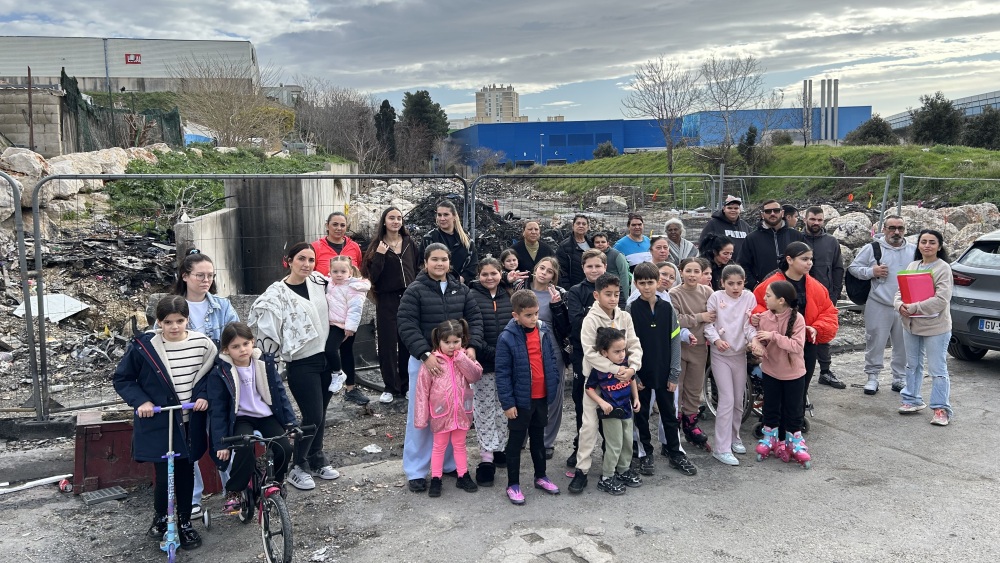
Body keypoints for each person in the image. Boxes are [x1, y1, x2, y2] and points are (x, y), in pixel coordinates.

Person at [113, 295, 216, 550]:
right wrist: (142, 401)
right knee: (163, 474)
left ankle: (184, 522)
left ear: (187, 319)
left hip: (188, 420)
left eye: (179, 321)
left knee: (185, 472)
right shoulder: (145, 346)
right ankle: (161, 516)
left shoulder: (203, 345)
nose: (174, 327)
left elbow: (212, 376)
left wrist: (204, 396)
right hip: (161, 420)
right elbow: (123, 379)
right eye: (167, 322)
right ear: (158, 322)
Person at [248, 242, 337, 491]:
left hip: (327, 358)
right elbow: (268, 333)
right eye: (301, 259)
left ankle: (316, 458)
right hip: (301, 362)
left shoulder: (319, 282)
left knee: (322, 413)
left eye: (311, 259)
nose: (307, 264)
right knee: (312, 415)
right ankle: (298, 466)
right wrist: (270, 369)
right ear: (288, 261)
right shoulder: (276, 294)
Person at [397, 243, 484, 493]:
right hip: (427, 363)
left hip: (455, 364)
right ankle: (416, 470)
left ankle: (448, 464)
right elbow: (406, 323)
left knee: (452, 414)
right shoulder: (415, 291)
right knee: (422, 415)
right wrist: (425, 355)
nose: (439, 264)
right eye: (434, 259)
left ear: (449, 262)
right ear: (425, 262)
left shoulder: (461, 290)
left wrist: (472, 347)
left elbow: (475, 319)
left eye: (444, 259)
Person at [170, 249, 238, 517]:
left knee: (225, 436)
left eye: (210, 275)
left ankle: (233, 491)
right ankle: (192, 497)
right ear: (185, 276)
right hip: (185, 385)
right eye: (200, 275)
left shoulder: (222, 306)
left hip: (218, 382)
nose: (206, 280)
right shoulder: (173, 308)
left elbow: (235, 340)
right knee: (190, 441)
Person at [208, 322, 296, 514]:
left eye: (246, 344)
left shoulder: (264, 364)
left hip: (266, 415)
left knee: (284, 446)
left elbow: (280, 394)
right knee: (244, 446)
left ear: (253, 342)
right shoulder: (220, 372)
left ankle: (276, 482)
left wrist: (291, 423)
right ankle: (234, 490)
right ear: (226, 349)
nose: (242, 349)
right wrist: (221, 443)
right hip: (241, 418)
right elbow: (218, 410)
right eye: (235, 346)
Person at [570, 274, 643, 494]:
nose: (613, 298)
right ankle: (582, 470)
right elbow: (590, 353)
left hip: (621, 383)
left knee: (621, 429)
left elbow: (634, 344)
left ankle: (619, 469)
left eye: (616, 294)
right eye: (607, 294)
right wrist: (616, 369)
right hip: (596, 384)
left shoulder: (624, 317)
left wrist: (632, 368)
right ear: (596, 295)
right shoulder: (590, 320)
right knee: (589, 427)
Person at [753, 242, 839, 428]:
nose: (809, 263)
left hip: (804, 343)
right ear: (789, 260)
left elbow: (828, 312)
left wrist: (816, 327)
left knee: (800, 387)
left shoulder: (817, 287)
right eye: (804, 259)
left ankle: (794, 424)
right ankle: (772, 424)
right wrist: (761, 320)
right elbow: (757, 305)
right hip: (776, 344)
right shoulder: (771, 284)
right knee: (775, 387)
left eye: (811, 259)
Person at [626, 262, 697, 477]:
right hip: (642, 373)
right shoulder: (630, 310)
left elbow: (675, 341)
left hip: (665, 372)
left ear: (658, 283)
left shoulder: (667, 309)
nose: (647, 287)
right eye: (642, 283)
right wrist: (635, 375)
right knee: (641, 416)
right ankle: (645, 453)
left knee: (669, 414)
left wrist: (674, 373)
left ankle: (675, 452)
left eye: (650, 282)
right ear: (636, 284)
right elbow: (628, 345)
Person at [494, 290, 562, 505]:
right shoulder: (507, 337)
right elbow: (502, 374)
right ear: (516, 315)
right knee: (515, 443)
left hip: (541, 397)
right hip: (520, 401)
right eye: (529, 315)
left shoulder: (543, 332)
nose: (534, 318)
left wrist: (553, 385)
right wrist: (508, 403)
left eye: (536, 313)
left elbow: (550, 359)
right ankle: (513, 484)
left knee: (538, 440)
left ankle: (541, 476)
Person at [414, 319, 483, 497]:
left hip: (461, 412)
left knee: (460, 445)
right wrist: (421, 417)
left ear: (462, 340)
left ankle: (463, 475)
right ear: (438, 341)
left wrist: (462, 358)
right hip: (441, 413)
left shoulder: (464, 358)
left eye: (456, 341)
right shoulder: (432, 362)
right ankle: (436, 478)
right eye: (447, 342)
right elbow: (422, 391)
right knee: (439, 446)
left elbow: (475, 375)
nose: (452, 346)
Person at [848, 216, 916, 394]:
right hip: (878, 303)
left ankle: (899, 378)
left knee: (904, 344)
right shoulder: (872, 248)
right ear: (884, 229)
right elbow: (853, 268)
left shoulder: (914, 250)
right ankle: (872, 377)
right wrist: (872, 271)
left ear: (905, 230)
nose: (896, 232)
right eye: (892, 228)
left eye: (900, 228)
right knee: (875, 341)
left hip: (905, 306)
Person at [362, 206, 421, 405]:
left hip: (409, 298)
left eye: (399, 218)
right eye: (391, 218)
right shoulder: (376, 245)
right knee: (387, 343)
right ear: (384, 221)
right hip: (387, 299)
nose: (396, 221)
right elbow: (372, 276)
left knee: (406, 342)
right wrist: (380, 255)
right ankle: (390, 387)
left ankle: (405, 385)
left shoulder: (409, 243)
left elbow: (417, 267)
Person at [895, 229, 954, 426]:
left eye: (932, 242)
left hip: (936, 327)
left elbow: (941, 299)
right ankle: (912, 399)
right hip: (911, 325)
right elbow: (900, 291)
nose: (927, 245)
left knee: (937, 368)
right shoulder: (913, 265)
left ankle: (941, 409)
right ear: (918, 244)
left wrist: (914, 308)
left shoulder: (943, 268)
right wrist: (899, 306)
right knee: (912, 364)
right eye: (923, 241)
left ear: (939, 246)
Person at [751, 281, 809, 467]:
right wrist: (757, 346)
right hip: (771, 372)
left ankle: (794, 442)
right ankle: (770, 438)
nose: (764, 298)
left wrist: (773, 336)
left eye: (768, 296)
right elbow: (758, 339)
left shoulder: (797, 318)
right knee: (770, 407)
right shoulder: (764, 318)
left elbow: (797, 346)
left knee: (794, 409)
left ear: (781, 300)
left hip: (793, 374)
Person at [703, 265, 758, 465]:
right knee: (726, 399)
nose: (735, 287)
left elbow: (749, 325)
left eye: (739, 283)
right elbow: (708, 324)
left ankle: (735, 437)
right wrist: (716, 340)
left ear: (744, 282)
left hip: (740, 354)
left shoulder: (749, 297)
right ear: (722, 283)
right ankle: (721, 448)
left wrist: (753, 341)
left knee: (738, 399)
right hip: (720, 355)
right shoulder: (716, 297)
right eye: (730, 283)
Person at [469, 258, 513, 486]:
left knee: (503, 408)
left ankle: (500, 448)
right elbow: (472, 330)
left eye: (494, 273)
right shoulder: (472, 296)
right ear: (479, 275)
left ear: (500, 273)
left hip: (506, 365)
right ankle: (486, 456)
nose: (489, 278)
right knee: (484, 409)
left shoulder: (508, 295)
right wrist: (491, 353)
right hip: (484, 363)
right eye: (484, 274)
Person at [585, 327, 642, 495]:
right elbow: (589, 388)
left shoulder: (626, 364)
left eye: (623, 350)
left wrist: (636, 398)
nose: (621, 354)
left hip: (627, 409)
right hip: (611, 413)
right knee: (614, 445)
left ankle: (623, 470)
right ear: (604, 352)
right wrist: (602, 403)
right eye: (616, 351)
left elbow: (632, 379)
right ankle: (607, 476)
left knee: (627, 442)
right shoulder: (600, 369)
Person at [565, 249, 606, 468]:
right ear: (583, 268)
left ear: (605, 267)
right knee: (582, 403)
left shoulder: (612, 288)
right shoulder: (576, 291)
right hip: (583, 354)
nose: (594, 270)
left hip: (609, 355)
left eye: (598, 266)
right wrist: (601, 323)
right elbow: (577, 322)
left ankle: (610, 447)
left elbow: (616, 321)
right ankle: (580, 446)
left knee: (609, 400)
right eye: (589, 266)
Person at [670, 258, 715, 454]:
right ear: (681, 272)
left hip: (700, 347)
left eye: (697, 271)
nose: (692, 275)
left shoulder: (707, 292)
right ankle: (673, 425)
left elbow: (715, 315)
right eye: (688, 270)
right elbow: (675, 319)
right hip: (679, 347)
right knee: (677, 388)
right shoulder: (674, 294)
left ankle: (691, 423)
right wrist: (699, 317)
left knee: (695, 388)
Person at [526, 257, 571, 459]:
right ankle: (523, 436)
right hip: (525, 347)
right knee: (526, 392)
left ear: (554, 276)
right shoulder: (521, 288)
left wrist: (557, 306)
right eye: (542, 268)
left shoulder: (559, 293)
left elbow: (566, 326)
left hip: (552, 347)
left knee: (553, 395)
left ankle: (547, 441)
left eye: (550, 271)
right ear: (535, 269)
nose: (544, 272)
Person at [802, 206, 847, 389]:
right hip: (800, 295)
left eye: (819, 220)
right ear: (805, 219)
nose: (816, 223)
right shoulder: (797, 240)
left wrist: (835, 293)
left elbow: (838, 268)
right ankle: (799, 375)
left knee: (823, 334)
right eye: (813, 219)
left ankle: (825, 371)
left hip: (824, 296)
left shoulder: (831, 241)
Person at [325, 255, 372, 405]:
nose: (339, 275)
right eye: (335, 271)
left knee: (335, 351)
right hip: (330, 324)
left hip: (344, 326)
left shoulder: (354, 287)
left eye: (343, 271)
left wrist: (350, 328)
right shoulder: (328, 283)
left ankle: (341, 378)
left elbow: (355, 309)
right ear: (330, 271)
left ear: (350, 272)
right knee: (342, 353)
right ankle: (344, 385)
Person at [739, 200, 805, 290]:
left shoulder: (796, 236)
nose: (772, 213)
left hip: (793, 289)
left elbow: (807, 261)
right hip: (764, 290)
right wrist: (754, 285)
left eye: (776, 210)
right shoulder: (752, 238)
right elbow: (743, 265)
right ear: (762, 215)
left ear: (782, 213)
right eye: (768, 211)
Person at [423, 199, 478, 284]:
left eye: (446, 215)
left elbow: (473, 265)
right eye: (439, 215)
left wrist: (460, 280)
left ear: (454, 216)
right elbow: (421, 264)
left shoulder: (467, 241)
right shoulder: (429, 238)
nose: (442, 218)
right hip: (433, 286)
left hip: (460, 287)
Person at [698, 195, 751, 261]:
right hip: (721, 265)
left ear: (739, 210)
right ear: (724, 209)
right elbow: (703, 245)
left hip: (742, 265)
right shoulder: (713, 224)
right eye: (729, 208)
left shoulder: (745, 226)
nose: (733, 210)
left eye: (736, 208)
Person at [591, 231, 631, 307]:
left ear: (608, 243)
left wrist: (624, 298)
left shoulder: (617, 255)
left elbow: (624, 276)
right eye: (597, 242)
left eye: (603, 242)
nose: (600, 244)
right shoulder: (591, 257)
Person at [511, 221, 555, 286]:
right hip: (521, 287)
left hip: (543, 288)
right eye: (530, 229)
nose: (533, 232)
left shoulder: (547, 250)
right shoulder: (515, 250)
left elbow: (555, 270)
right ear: (523, 232)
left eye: (536, 229)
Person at [556, 214, 592, 288]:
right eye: (578, 223)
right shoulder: (564, 246)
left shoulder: (593, 244)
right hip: (573, 287)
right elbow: (561, 271)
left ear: (588, 227)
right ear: (573, 226)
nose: (581, 226)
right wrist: (567, 289)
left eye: (584, 224)